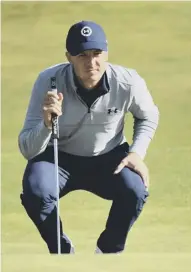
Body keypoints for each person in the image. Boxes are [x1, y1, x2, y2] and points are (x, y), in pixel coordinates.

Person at [18, 20, 159, 254]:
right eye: (82, 55)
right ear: (69, 57)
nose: (91, 63)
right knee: (36, 190)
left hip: (109, 156)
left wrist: (137, 152)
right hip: (58, 158)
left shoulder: (127, 82)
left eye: (97, 53)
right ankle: (62, 250)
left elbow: (149, 116)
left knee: (135, 189)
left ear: (106, 53)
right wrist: (46, 123)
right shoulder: (48, 81)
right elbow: (27, 149)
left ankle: (108, 251)